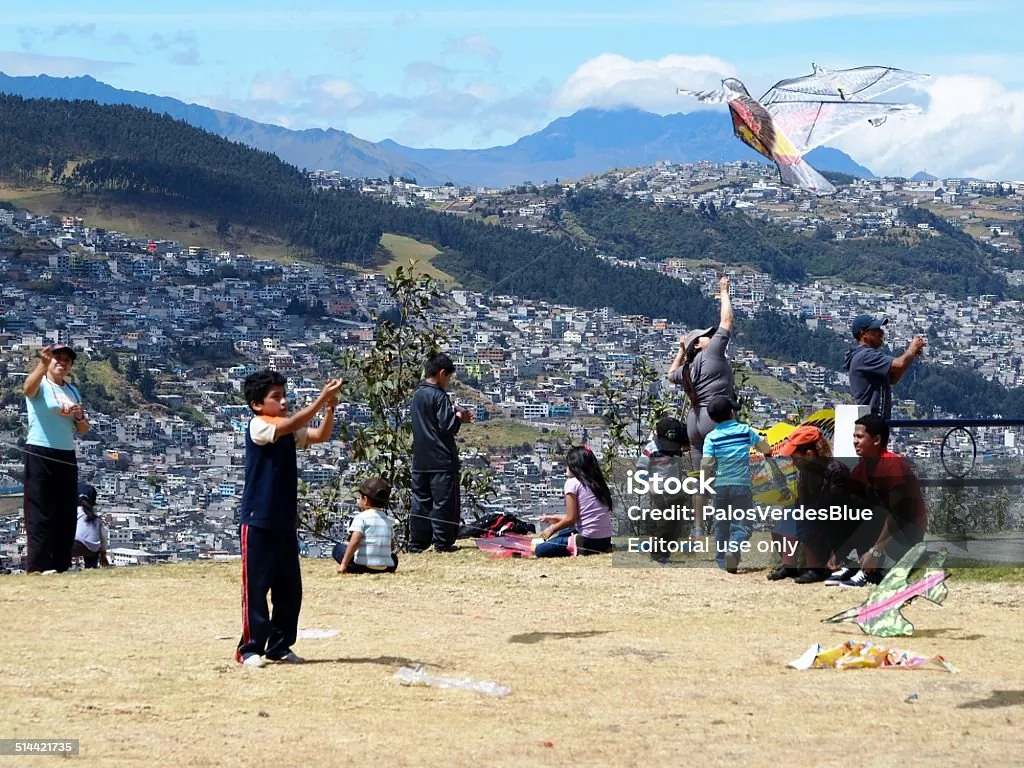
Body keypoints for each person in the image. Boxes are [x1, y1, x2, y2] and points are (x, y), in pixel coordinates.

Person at [235, 370, 341, 668]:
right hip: (258, 518)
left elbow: (319, 435)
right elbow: (294, 423)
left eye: (284, 395)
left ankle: (279, 645)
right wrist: (321, 399)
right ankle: (250, 647)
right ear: (257, 404)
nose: (284, 402)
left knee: (289, 589)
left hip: (283, 519)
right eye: (276, 397)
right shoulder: (258, 426)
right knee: (256, 588)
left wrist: (330, 409)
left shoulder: (286, 429)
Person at [668, 276, 735, 539]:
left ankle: (697, 529)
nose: (711, 336)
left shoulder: (686, 370)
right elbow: (727, 322)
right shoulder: (712, 354)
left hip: (693, 423)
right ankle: (724, 526)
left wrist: (682, 351)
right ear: (699, 345)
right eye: (706, 336)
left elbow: (669, 372)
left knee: (700, 479)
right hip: (715, 419)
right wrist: (724, 292)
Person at [829, 414, 928, 588]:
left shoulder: (893, 466)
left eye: (860, 437)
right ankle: (857, 564)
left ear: (876, 440)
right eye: (854, 436)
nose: (855, 441)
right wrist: (840, 551)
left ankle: (873, 570)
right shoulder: (863, 467)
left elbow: (898, 514)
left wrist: (875, 552)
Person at [22, 344, 90, 574]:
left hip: (65, 453)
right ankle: (38, 565)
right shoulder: (41, 384)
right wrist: (41, 364)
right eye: (57, 358)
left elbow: (82, 429)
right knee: (40, 508)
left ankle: (61, 563)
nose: (62, 362)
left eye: (67, 360)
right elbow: (27, 389)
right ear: (49, 361)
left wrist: (78, 416)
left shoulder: (72, 390)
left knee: (65, 510)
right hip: (40, 450)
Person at [701, 396, 784, 573]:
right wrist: (768, 452)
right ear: (732, 413)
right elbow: (764, 448)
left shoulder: (711, 437)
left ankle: (723, 560)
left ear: (712, 418)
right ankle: (734, 547)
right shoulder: (744, 430)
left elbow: (706, 463)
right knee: (743, 525)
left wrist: (704, 482)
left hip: (721, 486)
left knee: (722, 523)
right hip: (742, 486)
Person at [770, 426, 854, 584]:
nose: (793, 462)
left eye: (795, 458)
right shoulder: (805, 472)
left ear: (809, 455)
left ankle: (816, 568)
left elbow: (838, 512)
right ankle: (791, 565)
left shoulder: (836, 472)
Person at [409, 353, 474, 553]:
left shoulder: (418, 395)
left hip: (420, 459)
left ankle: (418, 543)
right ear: (442, 373)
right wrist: (459, 417)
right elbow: (448, 427)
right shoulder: (439, 396)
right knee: (444, 503)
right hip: (441, 459)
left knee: (421, 503)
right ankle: (443, 542)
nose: (447, 383)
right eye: (448, 378)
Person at [534, 446, 614, 557]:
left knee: (540, 550)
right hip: (604, 540)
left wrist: (551, 529)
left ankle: (579, 546)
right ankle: (586, 546)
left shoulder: (572, 483)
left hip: (588, 539)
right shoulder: (598, 484)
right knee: (563, 533)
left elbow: (571, 519)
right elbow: (584, 517)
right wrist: (557, 518)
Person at [844, 314, 927, 419]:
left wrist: (912, 354)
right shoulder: (866, 355)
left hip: (875, 419)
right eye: (876, 329)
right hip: (872, 420)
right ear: (863, 333)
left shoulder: (863, 355)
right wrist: (912, 349)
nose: (881, 332)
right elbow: (899, 364)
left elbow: (893, 378)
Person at [635, 417, 693, 563]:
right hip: (659, 495)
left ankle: (665, 553)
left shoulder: (678, 447)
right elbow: (640, 470)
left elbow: (689, 446)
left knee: (676, 526)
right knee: (664, 525)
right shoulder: (652, 448)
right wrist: (649, 483)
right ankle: (658, 555)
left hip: (677, 492)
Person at [333, 477, 398, 574]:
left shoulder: (361, 517)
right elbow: (391, 546)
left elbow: (355, 542)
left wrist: (344, 564)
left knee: (338, 548)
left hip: (362, 566)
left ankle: (354, 566)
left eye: (360, 497)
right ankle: (382, 566)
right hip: (385, 568)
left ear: (365, 500)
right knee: (394, 558)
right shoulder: (388, 520)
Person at [72, 483, 110, 569]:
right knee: (93, 552)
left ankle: (60, 567)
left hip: (75, 545)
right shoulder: (96, 518)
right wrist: (103, 555)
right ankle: (91, 568)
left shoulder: (75, 512)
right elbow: (103, 539)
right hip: (93, 549)